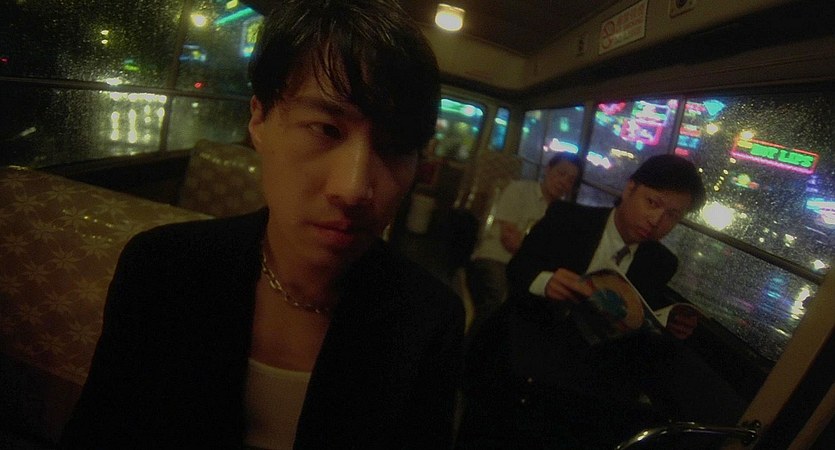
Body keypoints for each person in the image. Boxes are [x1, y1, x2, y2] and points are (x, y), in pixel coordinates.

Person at [60, 1, 464, 448]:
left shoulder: (428, 320)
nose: (353, 189)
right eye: (326, 129)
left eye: (396, 145)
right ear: (259, 119)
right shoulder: (164, 268)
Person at [457, 155, 745, 449]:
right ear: (630, 189)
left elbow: (637, 322)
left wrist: (668, 327)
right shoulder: (568, 217)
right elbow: (519, 268)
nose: (656, 220)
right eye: (652, 203)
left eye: (672, 215)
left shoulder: (660, 262)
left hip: (584, 376)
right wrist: (546, 282)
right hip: (525, 342)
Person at [465, 153, 581, 338]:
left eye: (570, 180)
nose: (563, 182)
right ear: (548, 169)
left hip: (526, 270)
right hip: (496, 259)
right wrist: (539, 257)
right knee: (498, 298)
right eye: (561, 173)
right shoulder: (519, 190)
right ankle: (472, 347)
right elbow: (509, 239)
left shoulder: (562, 215)